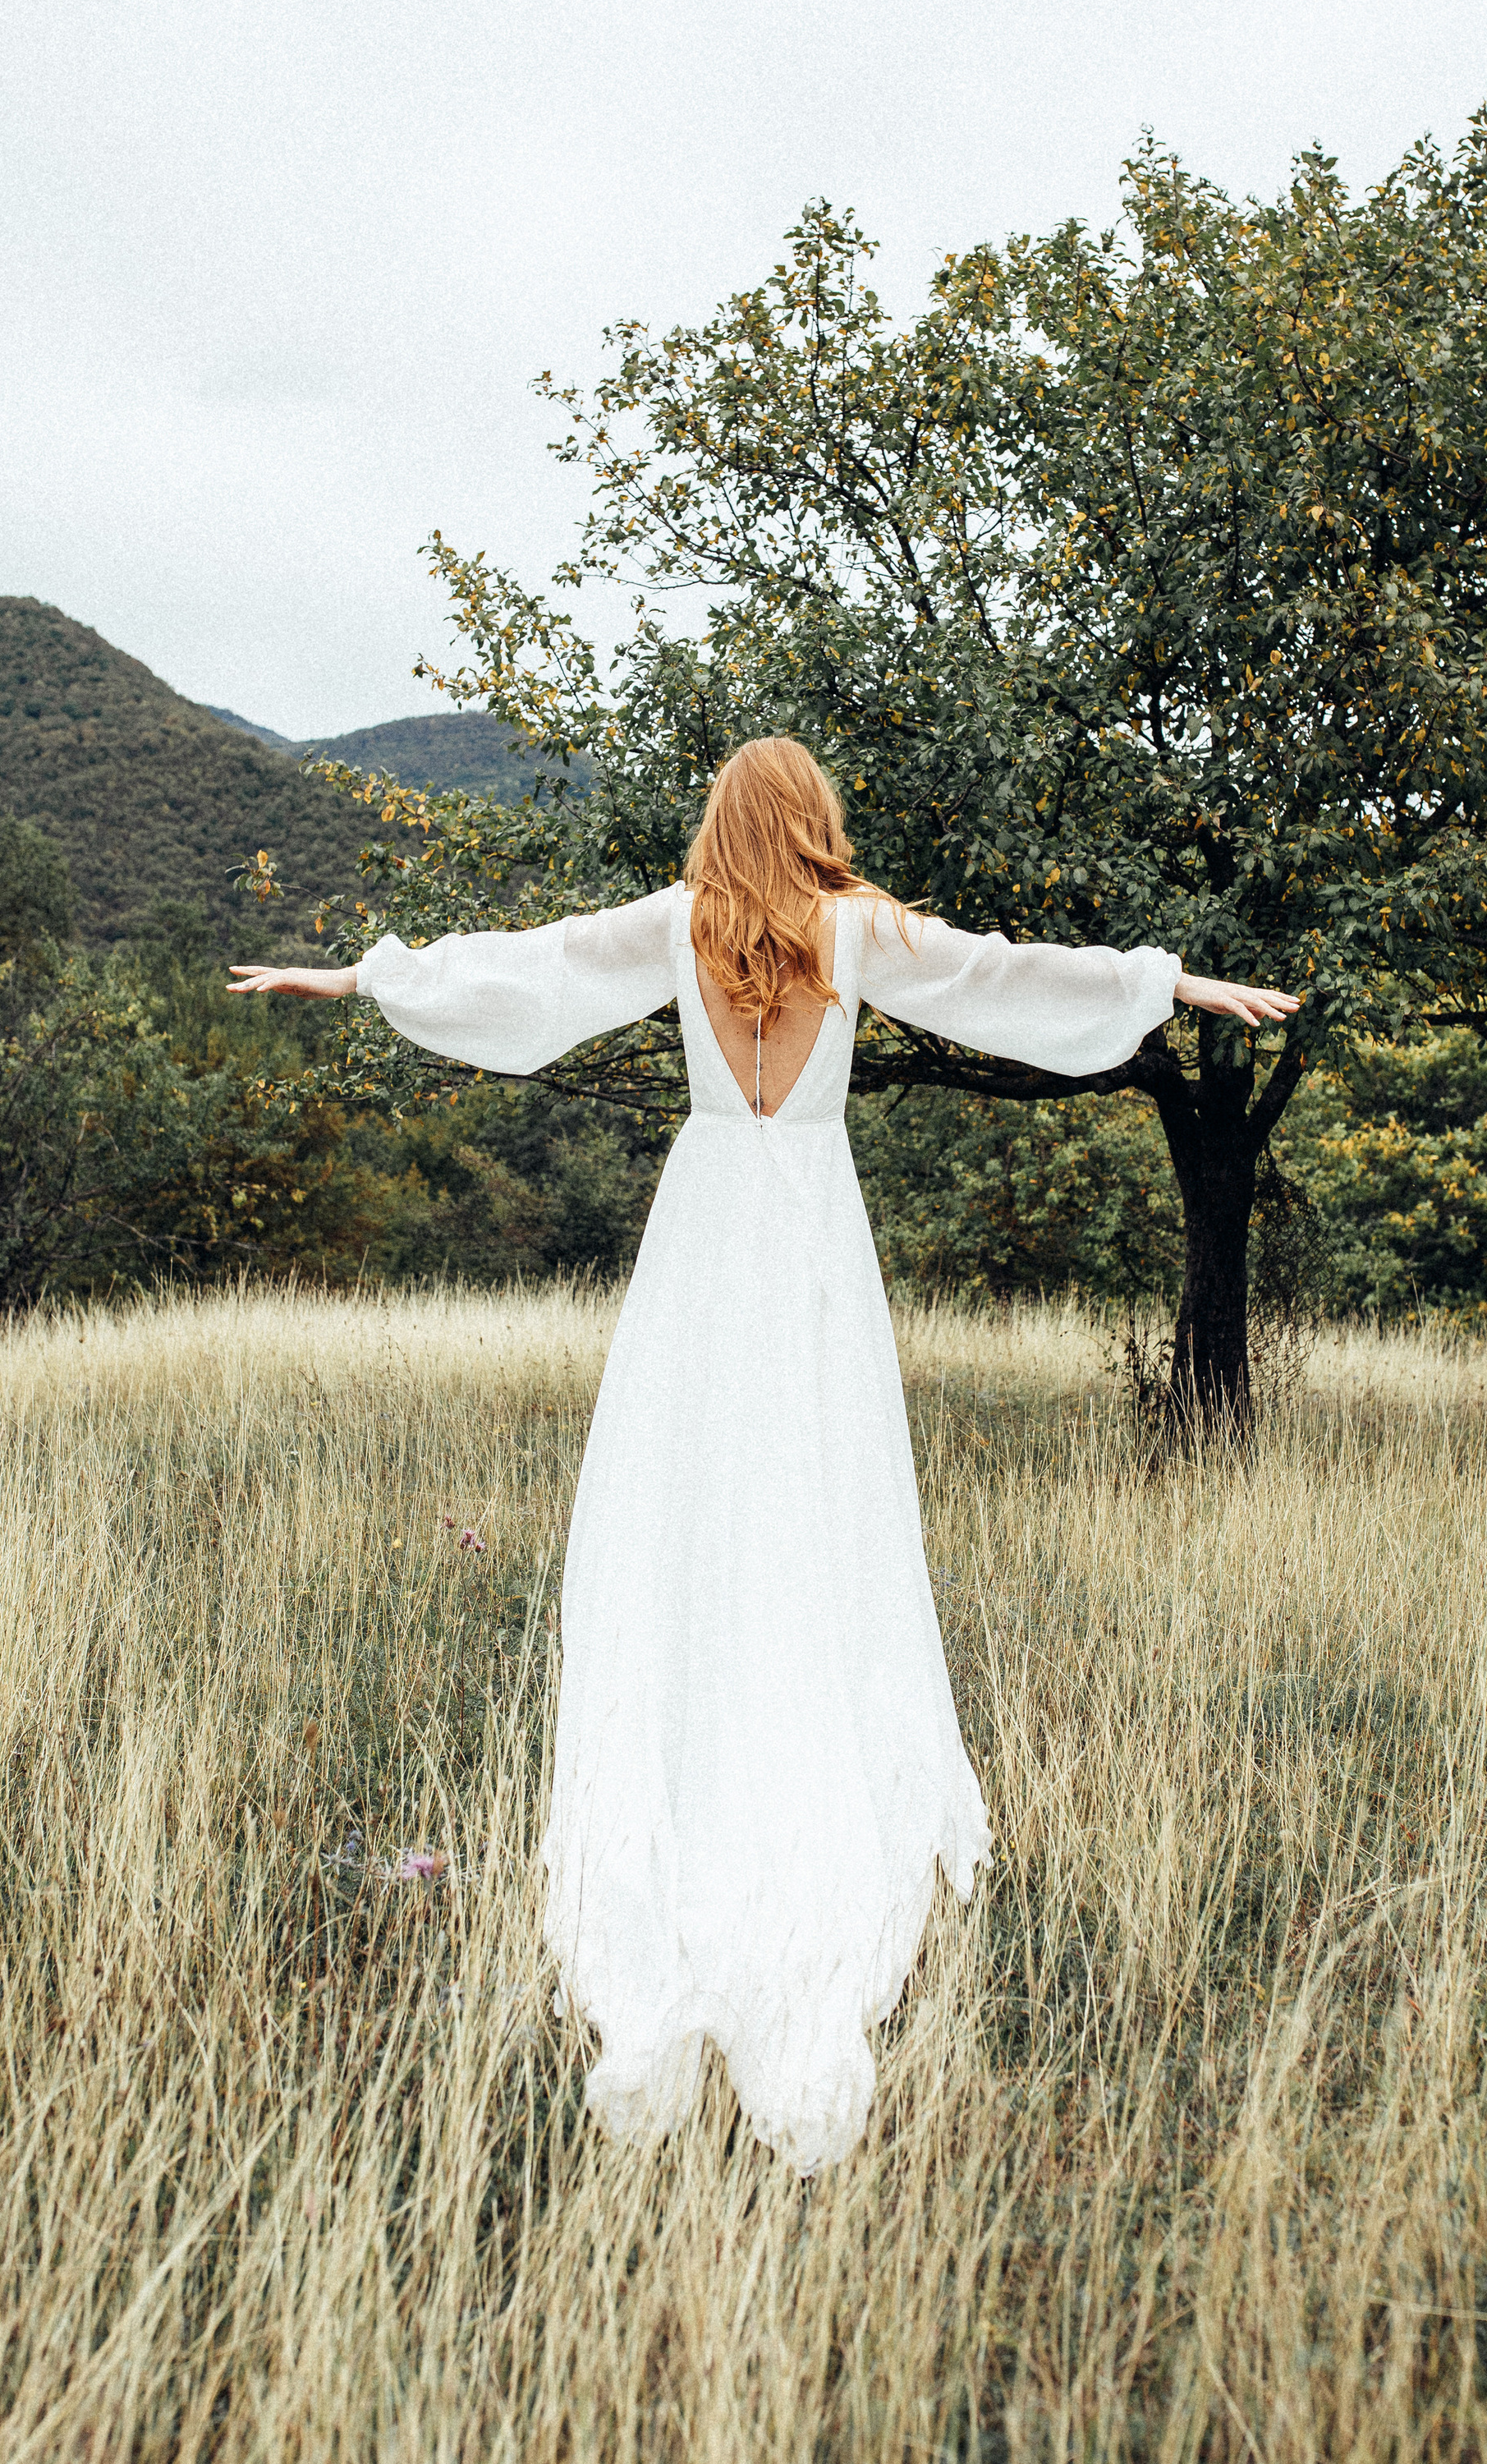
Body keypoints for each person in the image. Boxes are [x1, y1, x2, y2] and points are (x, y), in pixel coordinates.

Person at [230, 737, 1297, 2167]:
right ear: (815, 821)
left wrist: (366, 977)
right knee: (817, 1481)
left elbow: (525, 971)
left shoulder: (675, 928)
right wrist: (1162, 980)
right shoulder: (859, 931)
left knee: (691, 1478)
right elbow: (1002, 974)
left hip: (707, 1224)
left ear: (722, 822)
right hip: (806, 1228)